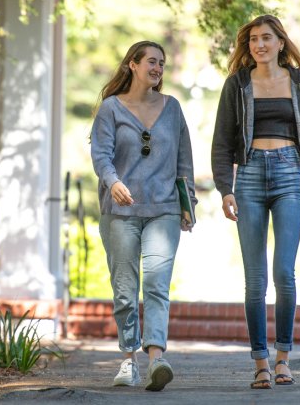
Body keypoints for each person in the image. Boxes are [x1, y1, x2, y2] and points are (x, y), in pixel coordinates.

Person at [211, 15, 300, 389]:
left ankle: (284, 357)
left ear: (281, 43)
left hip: (290, 174)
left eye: (266, 38)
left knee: (283, 273)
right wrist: (226, 188)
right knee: (254, 280)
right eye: (254, 39)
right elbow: (222, 142)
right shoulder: (237, 84)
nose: (259, 44)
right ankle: (260, 362)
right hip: (250, 176)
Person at [91, 40, 197, 392]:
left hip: (164, 209)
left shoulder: (173, 108)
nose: (157, 68)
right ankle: (128, 359)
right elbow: (101, 154)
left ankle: (156, 360)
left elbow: (184, 161)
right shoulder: (110, 108)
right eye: (151, 61)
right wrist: (113, 181)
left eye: (162, 64)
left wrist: (188, 203)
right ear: (132, 65)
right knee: (124, 289)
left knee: (156, 284)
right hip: (120, 210)